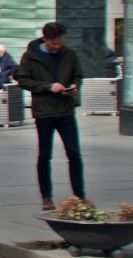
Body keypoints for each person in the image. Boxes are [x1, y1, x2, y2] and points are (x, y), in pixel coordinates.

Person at [15, 21, 86, 211]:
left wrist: (75, 86)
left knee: (74, 154)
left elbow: (78, 75)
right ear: (45, 39)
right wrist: (48, 87)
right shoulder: (31, 56)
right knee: (45, 155)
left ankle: (80, 196)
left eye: (60, 42)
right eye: (54, 43)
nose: (57, 46)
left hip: (65, 110)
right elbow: (23, 79)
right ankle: (46, 197)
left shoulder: (69, 53)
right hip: (44, 112)